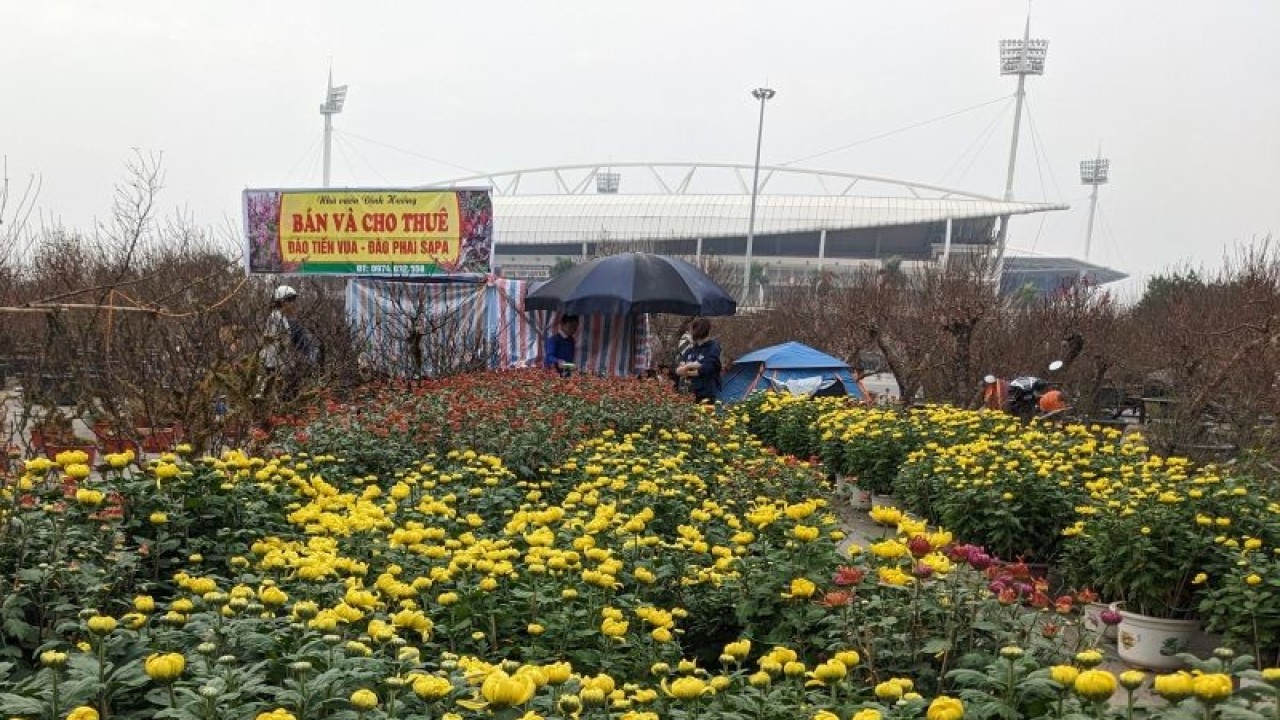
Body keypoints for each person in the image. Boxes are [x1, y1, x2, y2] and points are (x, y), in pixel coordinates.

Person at [675, 318, 722, 403]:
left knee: (705, 414)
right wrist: (694, 366)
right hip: (691, 392)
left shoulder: (713, 346)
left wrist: (688, 367)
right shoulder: (691, 349)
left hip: (708, 393)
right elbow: (678, 370)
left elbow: (709, 367)